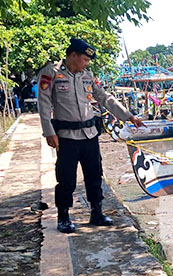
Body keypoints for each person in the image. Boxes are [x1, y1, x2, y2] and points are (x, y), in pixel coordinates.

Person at [37, 37, 144, 234]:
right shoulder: (51, 73)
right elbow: (43, 104)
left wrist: (128, 116)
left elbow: (105, 98)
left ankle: (97, 212)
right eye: (84, 60)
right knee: (66, 178)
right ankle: (64, 217)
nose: (86, 64)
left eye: (88, 61)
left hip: (90, 135)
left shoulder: (87, 76)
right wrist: (49, 132)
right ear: (73, 55)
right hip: (67, 137)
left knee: (94, 175)